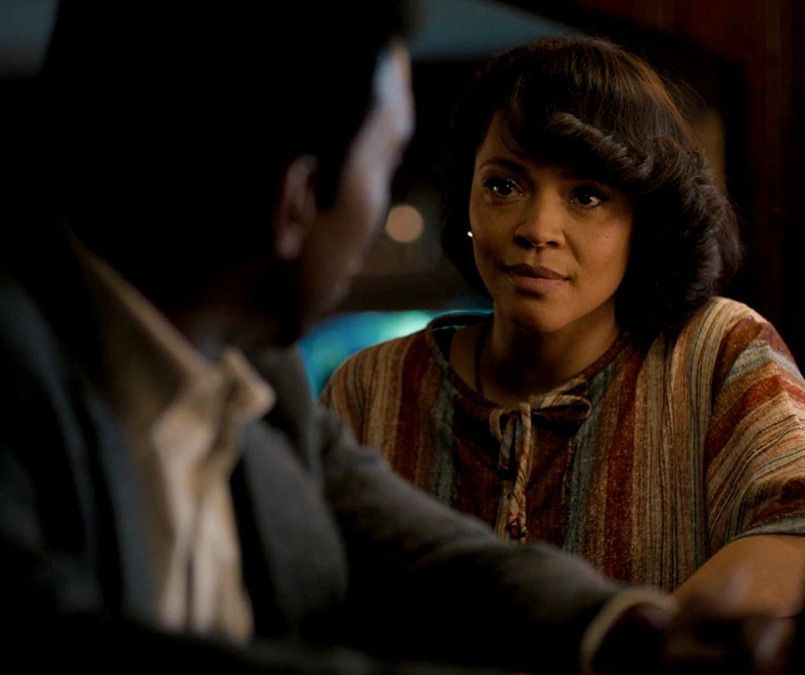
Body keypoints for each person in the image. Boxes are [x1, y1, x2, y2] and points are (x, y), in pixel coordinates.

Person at [0, 7, 794, 673]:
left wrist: (630, 631)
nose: (532, 227)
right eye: (386, 164)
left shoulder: (250, 368)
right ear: (297, 200)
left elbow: (412, 549)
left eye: (585, 195)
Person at [321, 37, 805, 618]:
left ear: (644, 220)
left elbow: (795, 529)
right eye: (503, 185)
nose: (537, 228)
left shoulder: (717, 356)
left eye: (586, 196)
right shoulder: (371, 387)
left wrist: (641, 644)